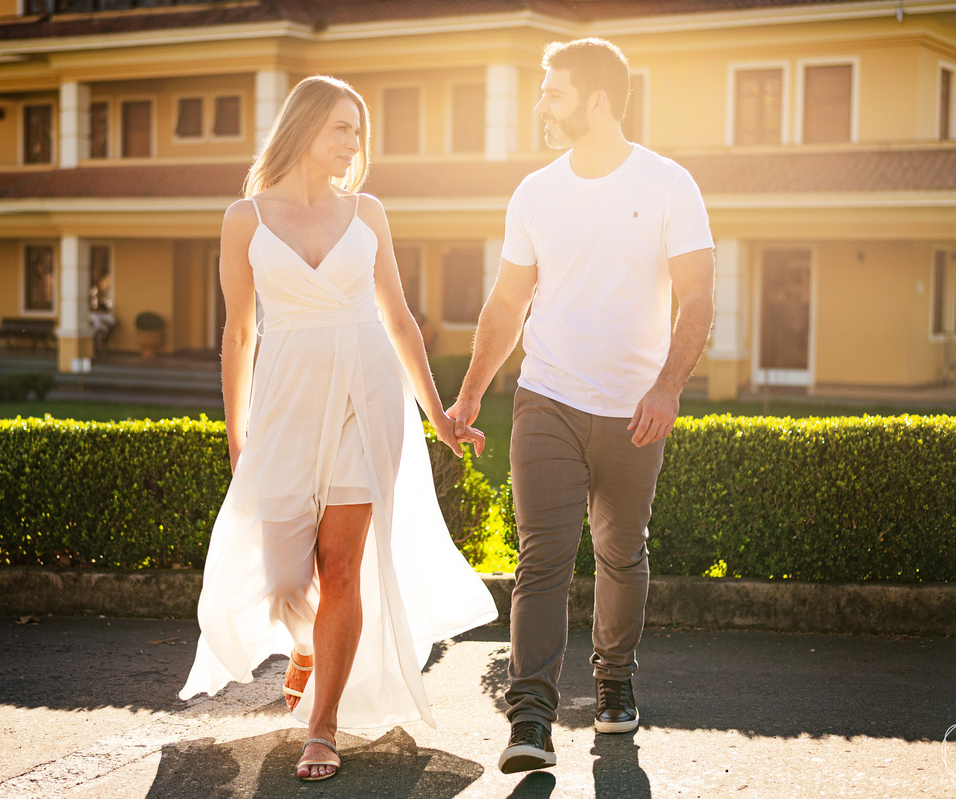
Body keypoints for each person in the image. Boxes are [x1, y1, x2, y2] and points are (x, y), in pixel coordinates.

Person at [179, 76, 498, 782]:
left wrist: (439, 416)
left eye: (359, 131)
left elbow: (399, 320)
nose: (354, 143)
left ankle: (321, 724)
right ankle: (305, 643)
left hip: (368, 394)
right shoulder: (245, 219)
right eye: (341, 128)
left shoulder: (367, 213)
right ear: (303, 128)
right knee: (286, 577)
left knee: (342, 563)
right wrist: (237, 434)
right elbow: (239, 333)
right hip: (286, 399)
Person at [446, 38, 715, 774]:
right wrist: (470, 393)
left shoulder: (668, 185)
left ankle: (614, 678)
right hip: (548, 398)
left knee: (621, 551)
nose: (541, 105)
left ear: (597, 101)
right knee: (543, 556)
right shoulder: (535, 192)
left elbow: (697, 298)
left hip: (635, 409)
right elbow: (507, 303)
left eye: (553, 93)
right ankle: (530, 713)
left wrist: (667, 386)